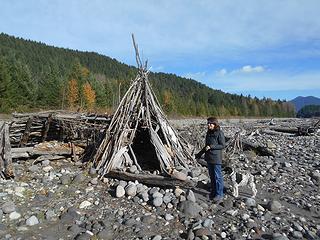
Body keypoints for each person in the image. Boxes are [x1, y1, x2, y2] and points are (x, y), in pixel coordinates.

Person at [195, 117, 226, 203]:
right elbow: (206, 146)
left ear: (215, 124)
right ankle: (213, 192)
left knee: (218, 177)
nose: (208, 125)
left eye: (210, 123)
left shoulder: (219, 133)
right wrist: (199, 154)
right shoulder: (208, 133)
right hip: (209, 158)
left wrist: (212, 146)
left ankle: (219, 195)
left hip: (216, 159)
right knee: (212, 177)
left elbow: (223, 145)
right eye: (208, 123)